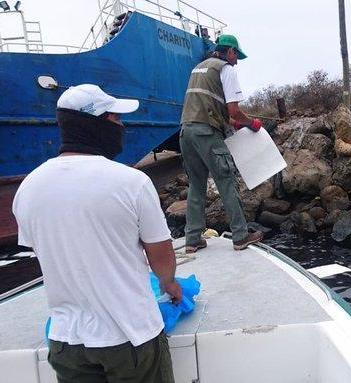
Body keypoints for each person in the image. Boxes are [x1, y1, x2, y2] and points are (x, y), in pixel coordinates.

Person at [12, 84, 181, 383]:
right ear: (95, 124)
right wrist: (169, 284)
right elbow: (161, 255)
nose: (122, 126)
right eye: (116, 119)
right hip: (130, 336)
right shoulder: (131, 182)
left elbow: (48, 255)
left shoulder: (27, 189)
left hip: (67, 343)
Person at [180, 34, 263, 253]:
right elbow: (234, 110)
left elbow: (213, 106)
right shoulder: (226, 69)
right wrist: (250, 123)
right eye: (237, 56)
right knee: (226, 180)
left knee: (196, 185)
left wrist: (233, 123)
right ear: (231, 52)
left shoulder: (199, 68)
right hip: (207, 132)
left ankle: (192, 239)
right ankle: (240, 236)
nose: (236, 61)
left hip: (186, 132)